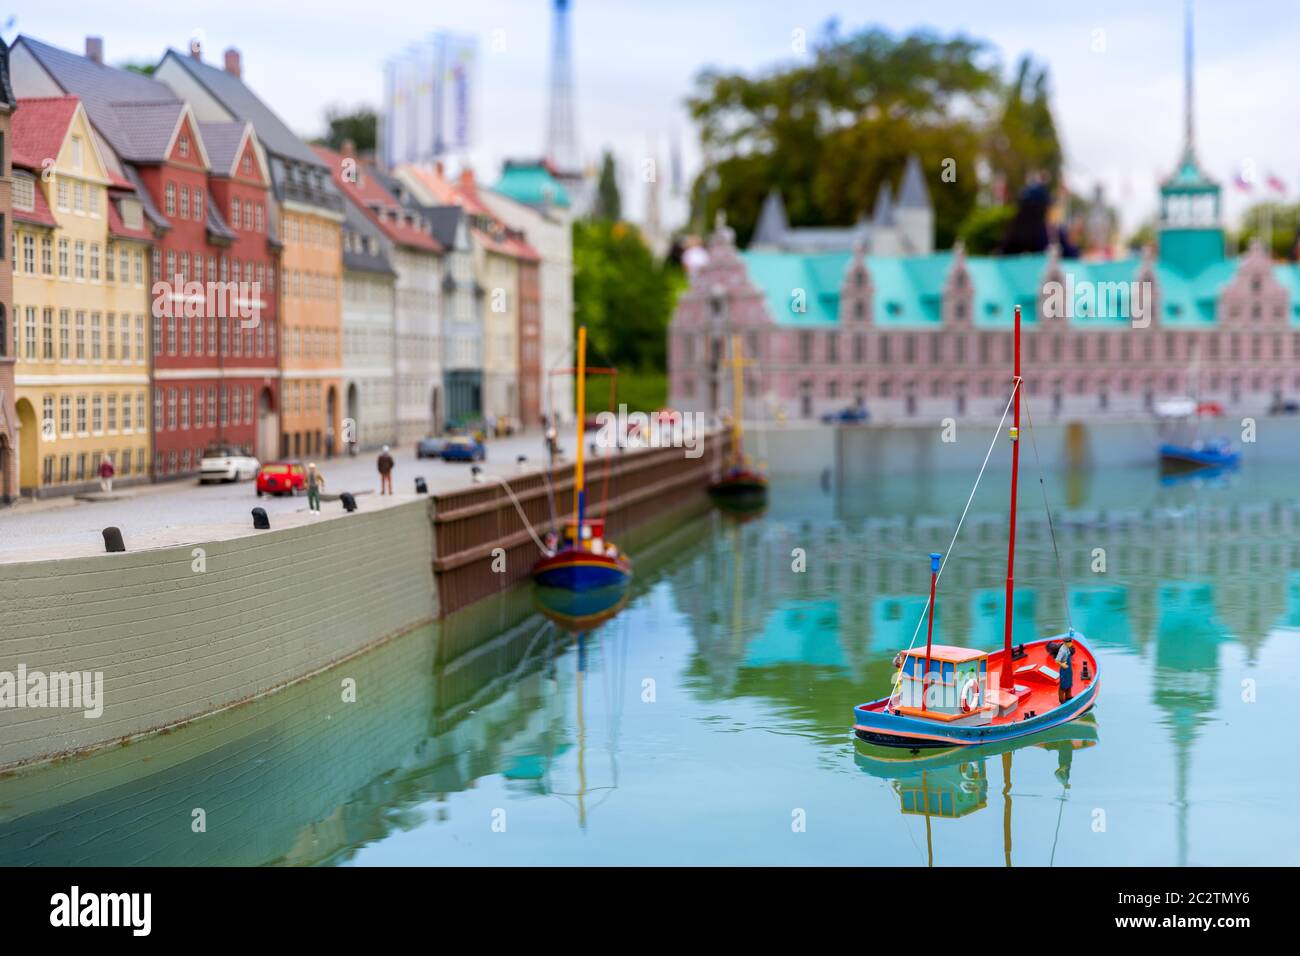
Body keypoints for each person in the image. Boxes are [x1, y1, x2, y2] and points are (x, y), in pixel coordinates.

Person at [1056, 633, 1075, 704]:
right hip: (1064, 669)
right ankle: (1061, 699)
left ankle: (1068, 696)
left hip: (1069, 668)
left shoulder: (1067, 649)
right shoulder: (1062, 651)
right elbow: (1057, 660)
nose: (1070, 643)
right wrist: (1062, 665)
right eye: (1069, 642)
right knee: (1063, 684)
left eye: (1071, 642)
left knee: (1069, 681)